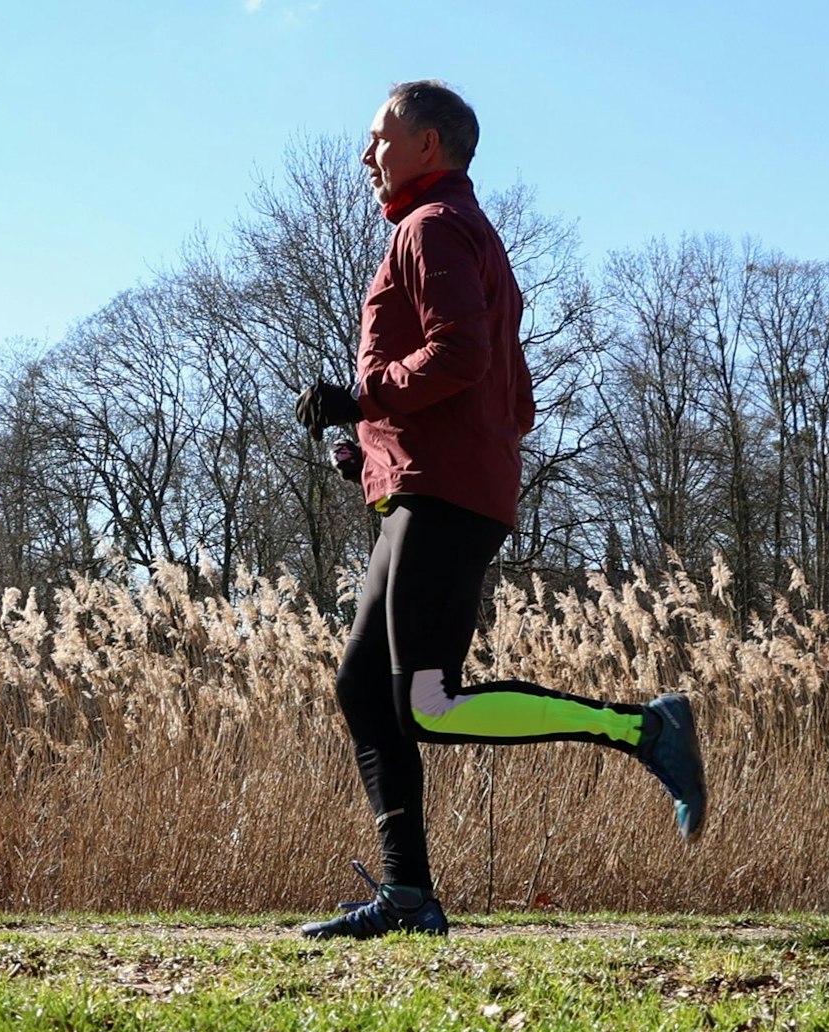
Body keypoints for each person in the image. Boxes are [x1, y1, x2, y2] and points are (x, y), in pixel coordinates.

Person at [291, 80, 707, 940]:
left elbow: (461, 355)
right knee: (365, 689)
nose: (367, 153)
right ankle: (408, 897)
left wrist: (360, 396)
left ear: (429, 144)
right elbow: (490, 391)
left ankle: (641, 728)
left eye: (380, 137)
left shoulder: (433, 227)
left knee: (428, 705)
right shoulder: (442, 227)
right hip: (430, 483)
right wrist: (370, 447)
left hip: (446, 491)